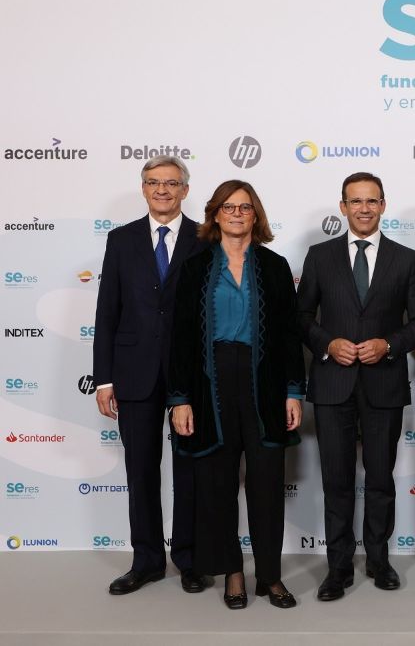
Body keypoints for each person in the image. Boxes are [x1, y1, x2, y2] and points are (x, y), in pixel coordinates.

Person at [167, 180, 304, 610]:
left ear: (256, 215)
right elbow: (180, 339)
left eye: (245, 207)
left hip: (264, 384)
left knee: (266, 484)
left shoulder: (276, 266)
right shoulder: (193, 267)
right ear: (215, 214)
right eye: (229, 207)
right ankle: (232, 573)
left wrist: (293, 392)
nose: (237, 213)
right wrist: (179, 399)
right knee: (217, 485)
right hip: (210, 386)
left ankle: (271, 576)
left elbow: (288, 337)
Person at [297, 171, 415, 601]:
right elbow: (300, 318)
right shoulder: (319, 257)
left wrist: (389, 344)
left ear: (383, 205)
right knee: (336, 480)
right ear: (342, 207)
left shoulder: (407, 258)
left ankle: (378, 559)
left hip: (384, 385)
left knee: (380, 479)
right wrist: (327, 343)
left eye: (371, 201)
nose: (363, 208)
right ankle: (337, 568)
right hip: (332, 383)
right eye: (355, 201)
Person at [93, 155, 207, 595]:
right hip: (133, 371)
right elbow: (107, 311)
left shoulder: (204, 237)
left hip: (189, 376)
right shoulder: (121, 239)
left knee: (189, 470)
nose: (162, 190)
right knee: (140, 470)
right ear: (143, 188)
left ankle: (190, 559)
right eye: (153, 182)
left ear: (185, 190)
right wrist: (104, 379)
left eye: (171, 183)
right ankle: (146, 561)